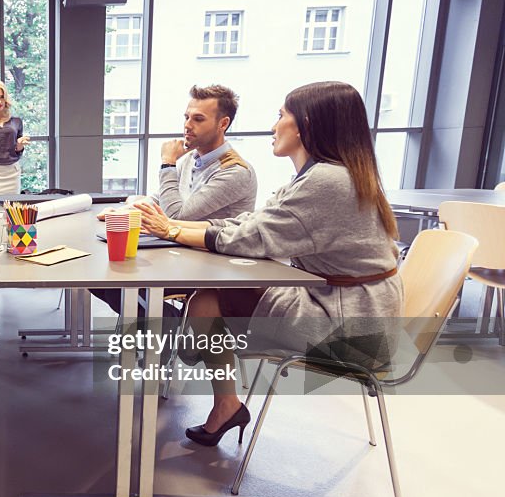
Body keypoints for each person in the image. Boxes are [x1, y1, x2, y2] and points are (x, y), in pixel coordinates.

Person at [135, 81, 403, 447]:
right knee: (205, 301)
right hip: (352, 308)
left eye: (280, 116)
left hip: (349, 327)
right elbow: (253, 225)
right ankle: (212, 381)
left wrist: (172, 228)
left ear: (305, 123)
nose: (273, 126)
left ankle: (191, 352)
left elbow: (253, 238)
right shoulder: (332, 173)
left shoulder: (326, 180)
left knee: (206, 302)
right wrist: (173, 228)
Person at [94, 84, 258, 315]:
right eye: (187, 117)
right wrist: (127, 210)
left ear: (223, 124)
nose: (188, 125)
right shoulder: (191, 157)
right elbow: (160, 199)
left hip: (212, 264)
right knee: (103, 276)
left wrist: (167, 164)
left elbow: (176, 215)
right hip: (178, 252)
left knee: (118, 284)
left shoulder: (235, 172)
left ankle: (179, 330)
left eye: (198, 119)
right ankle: (175, 329)